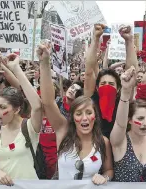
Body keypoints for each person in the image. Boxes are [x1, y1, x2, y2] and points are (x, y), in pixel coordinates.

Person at [38, 42, 114, 184]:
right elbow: (48, 102)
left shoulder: (103, 142)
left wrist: (105, 177)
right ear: (72, 117)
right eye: (78, 113)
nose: (84, 118)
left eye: (88, 113)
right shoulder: (63, 132)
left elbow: (109, 170)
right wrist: (45, 63)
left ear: (95, 117)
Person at [0, 54, 43, 186]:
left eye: (2, 107)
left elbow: (38, 106)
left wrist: (16, 68)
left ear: (16, 110)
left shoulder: (29, 127)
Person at [84, 24, 138, 138]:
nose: (107, 86)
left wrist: (129, 41)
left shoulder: (123, 101)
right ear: (97, 88)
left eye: (111, 84)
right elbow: (89, 72)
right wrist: (95, 38)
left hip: (118, 149)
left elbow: (132, 71)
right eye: (103, 84)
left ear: (118, 88)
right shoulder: (92, 99)